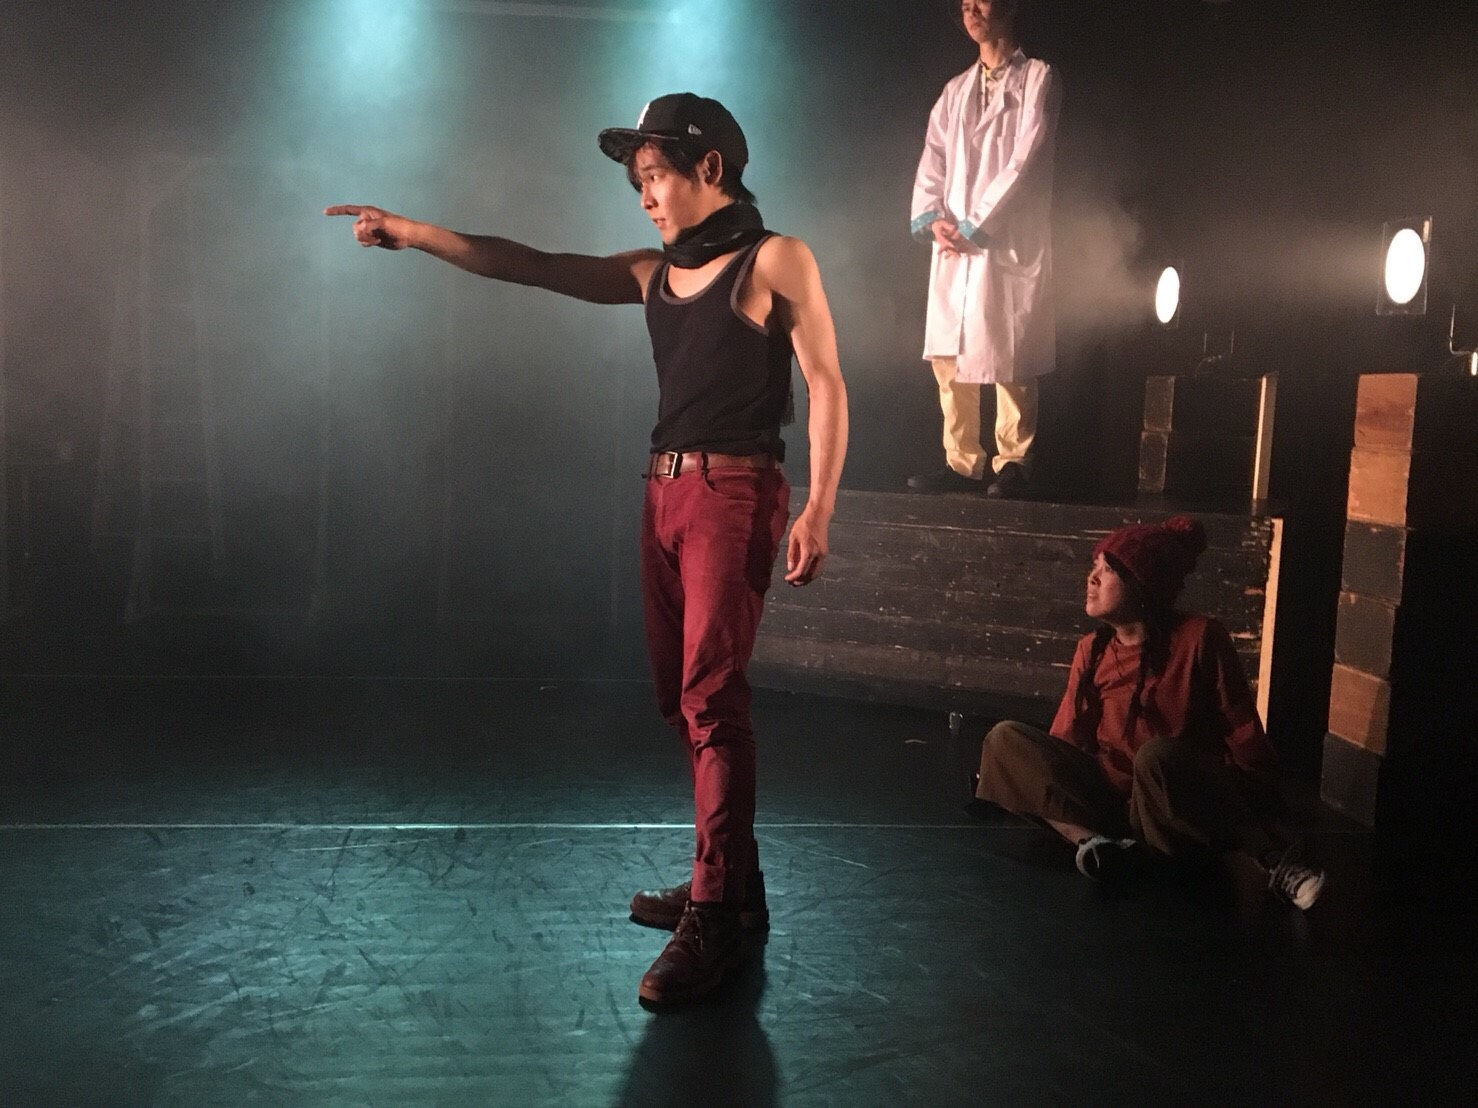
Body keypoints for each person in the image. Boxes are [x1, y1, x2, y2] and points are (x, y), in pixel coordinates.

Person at [325, 92, 849, 1004]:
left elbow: (828, 383)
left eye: (655, 176)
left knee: (712, 698)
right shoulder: (652, 273)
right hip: (664, 491)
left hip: (733, 491)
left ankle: (716, 914)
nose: (643, 196)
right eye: (636, 181)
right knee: (681, 700)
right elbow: (532, 265)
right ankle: (733, 881)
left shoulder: (776, 258)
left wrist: (820, 508)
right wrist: (411, 232)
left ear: (710, 168)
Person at [973, 515, 1327, 909]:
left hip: (1171, 803)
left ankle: (1273, 861)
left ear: (1142, 585)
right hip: (1110, 805)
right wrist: (1030, 775)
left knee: (1157, 754)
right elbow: (1067, 739)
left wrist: (1263, 804)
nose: (1092, 578)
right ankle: (1095, 845)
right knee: (1005, 738)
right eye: (1094, 567)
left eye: (1107, 570)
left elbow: (1239, 726)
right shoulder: (1092, 649)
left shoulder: (1199, 637)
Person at [907, 0, 1059, 499]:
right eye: (964, 1)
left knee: (1009, 352)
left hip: (1004, 236)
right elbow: (932, 159)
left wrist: (978, 224)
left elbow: (1026, 158)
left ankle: (1014, 460)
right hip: (953, 242)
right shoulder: (954, 90)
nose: (970, 8)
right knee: (949, 357)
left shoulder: (1037, 78)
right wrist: (934, 219)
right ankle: (962, 462)